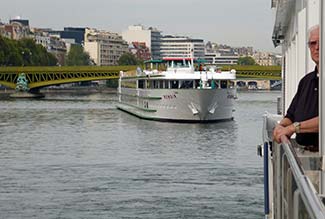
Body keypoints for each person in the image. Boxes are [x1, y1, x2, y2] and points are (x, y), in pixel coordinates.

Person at [273, 25, 319, 151]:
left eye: (321, 42)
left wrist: (293, 128)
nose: (317, 48)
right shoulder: (306, 81)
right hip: (306, 154)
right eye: (313, 43)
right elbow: (291, 115)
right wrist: (281, 126)